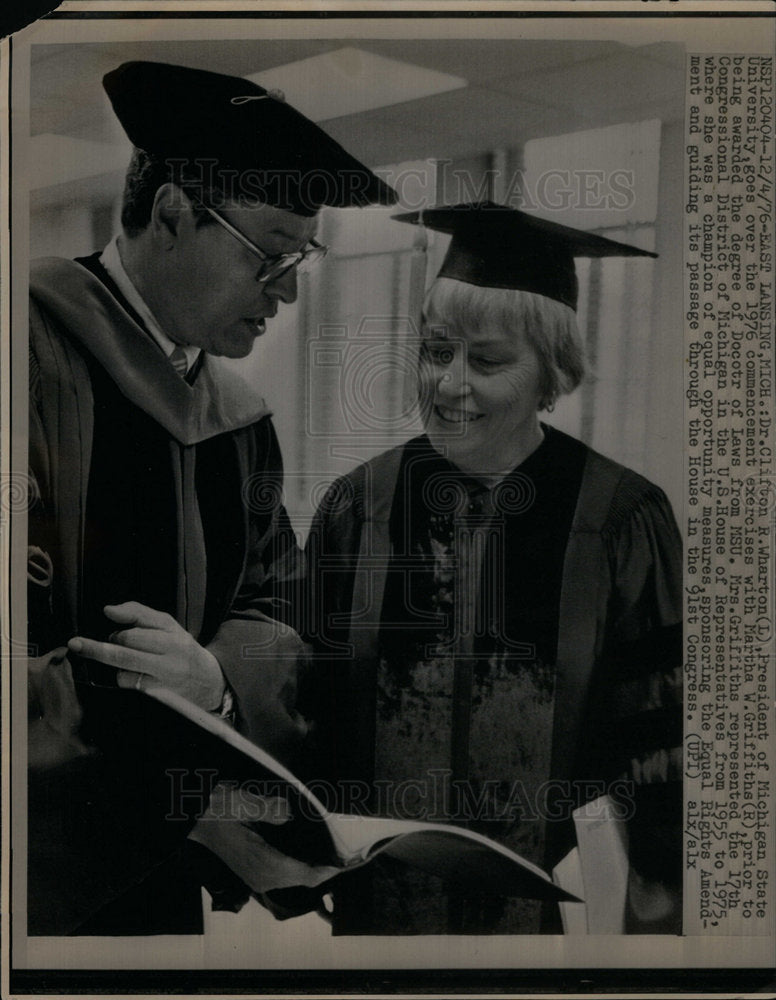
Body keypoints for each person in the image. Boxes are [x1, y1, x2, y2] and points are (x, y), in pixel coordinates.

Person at [26, 60, 396, 936]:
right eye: (270, 252)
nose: (290, 291)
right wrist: (134, 741)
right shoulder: (24, 361)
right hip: (35, 871)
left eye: (301, 258)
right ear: (171, 214)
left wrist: (219, 679)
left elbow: (281, 602)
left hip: (161, 882)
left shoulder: (236, 418)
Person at [302, 202, 683, 935]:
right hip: (376, 914)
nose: (448, 385)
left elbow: (661, 741)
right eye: (435, 350)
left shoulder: (621, 518)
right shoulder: (358, 508)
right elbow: (306, 711)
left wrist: (655, 913)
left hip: (555, 918)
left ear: (552, 373)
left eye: (488, 361)